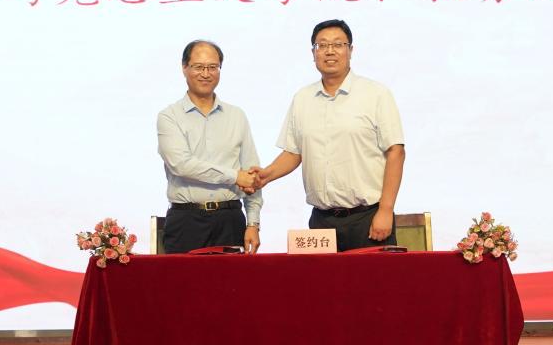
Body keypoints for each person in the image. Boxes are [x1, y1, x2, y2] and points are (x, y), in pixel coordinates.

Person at [253, 19, 405, 252]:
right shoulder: (302, 99)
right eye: (322, 45)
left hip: (368, 218)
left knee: (373, 278)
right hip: (321, 221)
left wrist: (386, 210)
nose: (329, 51)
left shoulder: (376, 94)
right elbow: (294, 152)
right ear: (313, 53)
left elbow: (396, 152)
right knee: (321, 278)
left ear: (350, 50)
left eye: (338, 44)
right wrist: (265, 175)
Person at [157, 40, 262, 254]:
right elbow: (182, 165)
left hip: (230, 220)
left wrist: (253, 223)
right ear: (184, 68)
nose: (206, 74)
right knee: (183, 277)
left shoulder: (236, 116)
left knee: (233, 278)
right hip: (186, 222)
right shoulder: (169, 116)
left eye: (213, 67)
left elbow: (252, 173)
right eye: (199, 67)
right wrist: (234, 176)